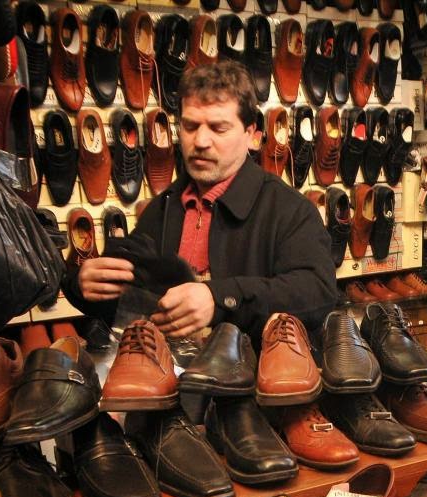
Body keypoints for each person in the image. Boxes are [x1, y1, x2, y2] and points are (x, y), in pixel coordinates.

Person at [62, 61, 337, 343]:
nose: (201, 141)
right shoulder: (162, 210)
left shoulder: (289, 210)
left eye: (219, 128)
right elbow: (130, 306)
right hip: (169, 366)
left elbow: (318, 293)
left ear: (251, 135)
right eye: (190, 126)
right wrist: (83, 286)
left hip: (256, 368)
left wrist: (220, 298)